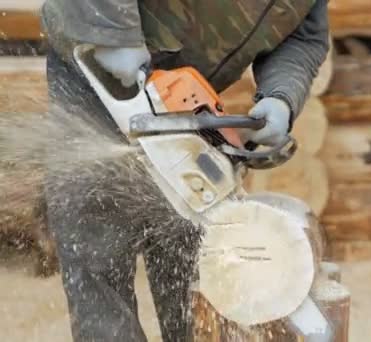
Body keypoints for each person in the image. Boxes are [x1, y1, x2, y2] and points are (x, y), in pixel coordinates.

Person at [39, 1, 330, 341]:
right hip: (98, 59)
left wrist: (282, 96)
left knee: (192, 246)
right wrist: (113, 35)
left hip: (183, 93)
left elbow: (304, 37)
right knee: (97, 241)